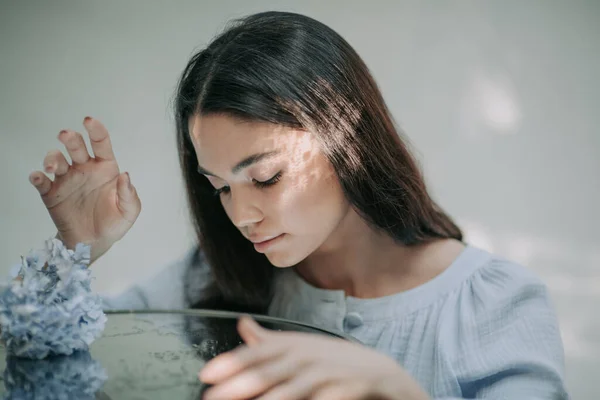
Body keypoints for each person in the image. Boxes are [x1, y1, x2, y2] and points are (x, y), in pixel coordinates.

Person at [24, 11, 568, 400]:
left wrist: (394, 391)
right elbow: (33, 360)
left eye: (265, 177)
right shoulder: (211, 278)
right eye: (221, 187)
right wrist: (74, 251)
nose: (240, 216)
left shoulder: (493, 306)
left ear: (347, 138)